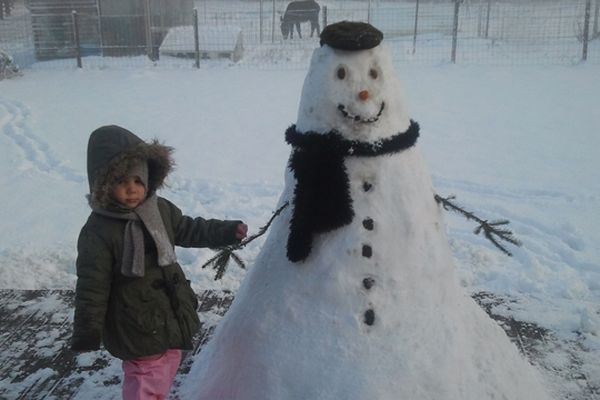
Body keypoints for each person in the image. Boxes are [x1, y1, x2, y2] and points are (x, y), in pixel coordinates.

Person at [71, 125, 248, 399]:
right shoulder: (99, 230)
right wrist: (87, 329)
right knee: (145, 377)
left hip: (169, 310)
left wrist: (225, 231)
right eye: (121, 182)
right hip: (134, 321)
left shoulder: (159, 209)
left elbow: (189, 229)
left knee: (165, 365)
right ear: (103, 185)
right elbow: (92, 284)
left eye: (138, 181)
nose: (132, 190)